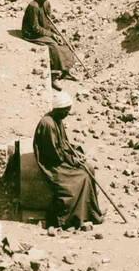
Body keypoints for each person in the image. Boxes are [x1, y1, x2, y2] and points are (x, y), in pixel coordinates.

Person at [33, 91, 103, 229]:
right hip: (52, 164)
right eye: (66, 110)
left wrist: (76, 153)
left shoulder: (57, 120)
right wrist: (72, 160)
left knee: (89, 168)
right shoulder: (48, 124)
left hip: (59, 158)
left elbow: (64, 143)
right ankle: (69, 219)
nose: (68, 113)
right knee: (81, 177)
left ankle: (91, 212)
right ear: (59, 109)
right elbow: (53, 154)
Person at [21, 0, 78, 81]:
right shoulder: (33, 6)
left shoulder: (47, 3)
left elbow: (49, 21)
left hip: (43, 30)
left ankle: (66, 71)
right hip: (32, 33)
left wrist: (56, 33)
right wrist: (51, 35)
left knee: (63, 42)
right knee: (54, 46)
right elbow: (35, 27)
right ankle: (55, 74)